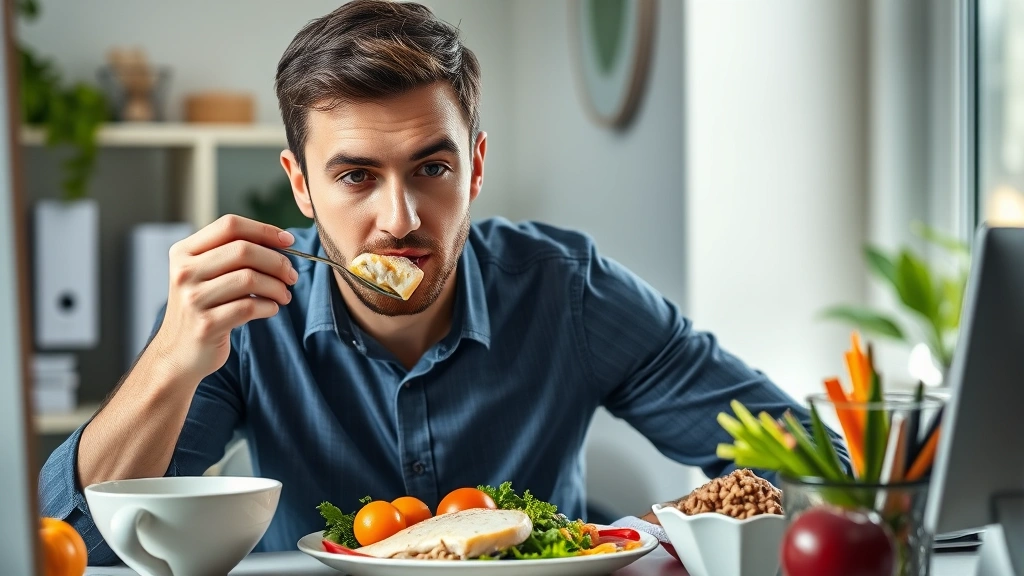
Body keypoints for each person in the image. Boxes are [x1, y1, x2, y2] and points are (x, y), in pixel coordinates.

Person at [39, 0, 848, 564]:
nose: (400, 218)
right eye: (355, 176)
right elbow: (72, 543)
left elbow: (805, 463)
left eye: (432, 167)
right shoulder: (249, 313)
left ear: (477, 167)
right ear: (300, 185)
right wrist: (173, 360)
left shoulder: (567, 289)